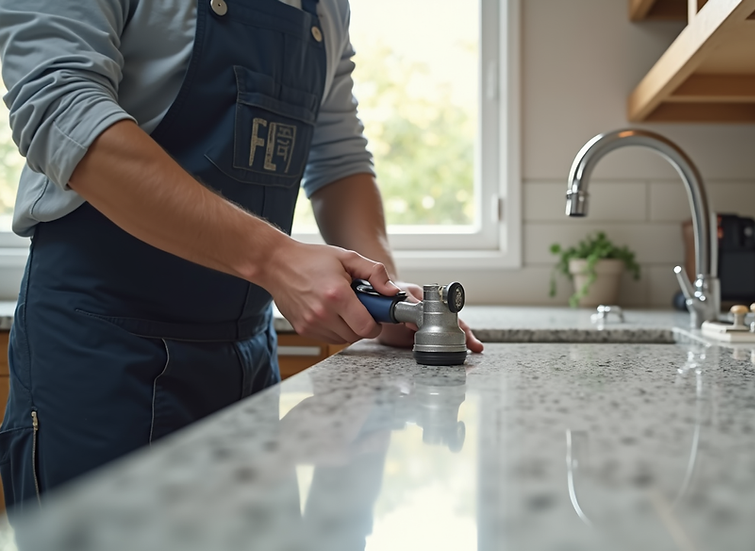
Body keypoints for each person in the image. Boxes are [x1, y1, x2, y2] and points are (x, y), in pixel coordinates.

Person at [0, 0, 483, 514]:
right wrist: (276, 259)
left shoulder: (327, 8)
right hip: (100, 360)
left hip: (246, 359)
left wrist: (379, 296)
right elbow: (60, 109)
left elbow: (338, 154)